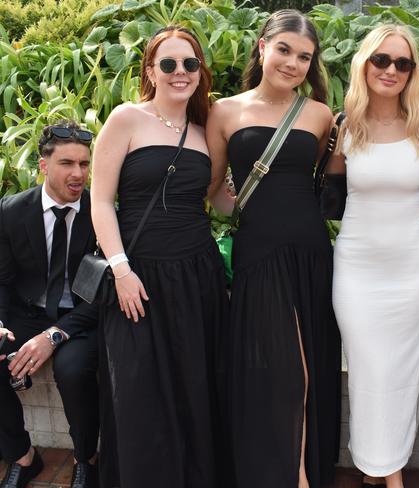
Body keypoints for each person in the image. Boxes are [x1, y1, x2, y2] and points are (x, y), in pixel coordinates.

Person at [205, 9, 341, 488]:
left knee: (310, 369)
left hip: (310, 252)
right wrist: (245, 213)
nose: (293, 63)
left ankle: (301, 474)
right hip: (258, 255)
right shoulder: (224, 110)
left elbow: (329, 186)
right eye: (284, 49)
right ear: (262, 46)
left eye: (304, 56)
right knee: (282, 372)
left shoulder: (320, 115)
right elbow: (215, 192)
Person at [90, 26, 230, 488]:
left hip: (197, 274)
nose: (180, 73)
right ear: (151, 70)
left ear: (199, 71)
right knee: (139, 392)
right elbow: (100, 201)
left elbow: (219, 199)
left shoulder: (205, 128)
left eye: (189, 63)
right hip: (139, 276)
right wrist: (121, 270)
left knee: (195, 384)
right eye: (168, 63)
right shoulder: (126, 118)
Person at [328, 24, 419, 488]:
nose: (391, 70)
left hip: (413, 269)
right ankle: (384, 472)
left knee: (404, 376)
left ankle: (382, 469)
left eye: (402, 62)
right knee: (369, 372)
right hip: (356, 268)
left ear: (412, 71)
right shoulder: (343, 124)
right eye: (381, 60)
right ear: (364, 64)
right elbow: (329, 193)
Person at [0, 121, 100, 488]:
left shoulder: (99, 211)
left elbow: (103, 290)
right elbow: (3, 280)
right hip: (27, 313)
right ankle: (23, 457)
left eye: (84, 164)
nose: (78, 174)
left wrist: (54, 335)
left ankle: (87, 459)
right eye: (67, 163)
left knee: (73, 372)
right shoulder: (11, 211)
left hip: (80, 318)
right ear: (44, 165)